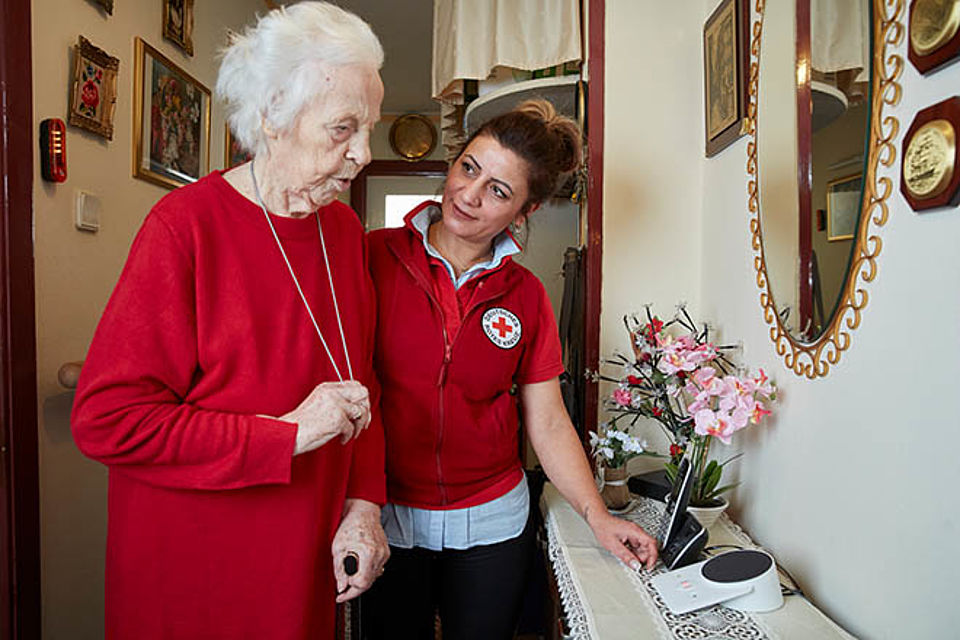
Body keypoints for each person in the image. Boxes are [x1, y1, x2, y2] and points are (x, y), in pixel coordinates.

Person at [71, 3, 389, 638]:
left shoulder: (345, 229)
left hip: (303, 555)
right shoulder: (185, 227)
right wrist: (287, 435)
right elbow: (107, 422)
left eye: (369, 129)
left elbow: (361, 385)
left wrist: (363, 505)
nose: (363, 155)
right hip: (198, 568)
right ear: (272, 117)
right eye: (343, 129)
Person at [361, 100, 660, 639]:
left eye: (498, 191)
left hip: (492, 518)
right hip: (387, 515)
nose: (468, 195)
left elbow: (545, 421)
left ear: (524, 212)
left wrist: (598, 515)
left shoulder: (526, 295)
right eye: (469, 168)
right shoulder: (371, 257)